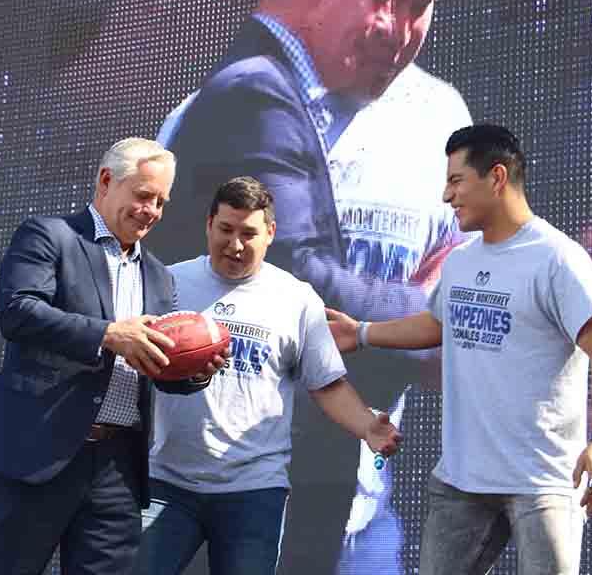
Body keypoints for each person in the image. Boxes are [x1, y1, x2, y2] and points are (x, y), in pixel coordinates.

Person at [151, 0, 454, 570]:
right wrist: (440, 324)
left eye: (419, 5)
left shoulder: (435, 117)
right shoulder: (252, 97)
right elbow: (291, 276)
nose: (397, 28)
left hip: (340, 512)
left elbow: (455, 262)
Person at [327, 124, 592, 575]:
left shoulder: (556, 257)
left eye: (456, 181)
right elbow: (437, 324)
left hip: (543, 483)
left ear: (497, 177)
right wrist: (363, 332)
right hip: (461, 482)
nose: (446, 196)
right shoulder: (462, 260)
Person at [0, 138, 220, 574]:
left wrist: (195, 371)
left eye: (161, 201)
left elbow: (155, 366)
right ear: (106, 181)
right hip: (39, 453)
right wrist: (108, 334)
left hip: (117, 468)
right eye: (143, 195)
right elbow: (20, 312)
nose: (152, 210)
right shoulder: (49, 236)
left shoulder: (159, 278)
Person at [133, 176, 402, 575]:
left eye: (248, 233)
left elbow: (327, 383)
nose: (235, 244)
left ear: (270, 233)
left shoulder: (296, 298)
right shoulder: (166, 283)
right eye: (225, 229)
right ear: (208, 225)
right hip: (167, 482)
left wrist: (368, 427)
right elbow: (133, 357)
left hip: (253, 490)